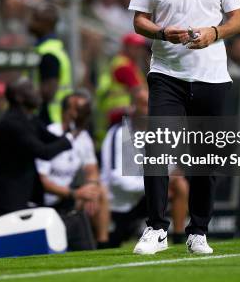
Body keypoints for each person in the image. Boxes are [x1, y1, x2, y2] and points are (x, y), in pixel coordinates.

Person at [129, 0, 240, 255]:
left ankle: (198, 232)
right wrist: (164, 33)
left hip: (212, 76)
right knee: (156, 149)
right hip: (167, 74)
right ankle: (156, 229)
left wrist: (215, 32)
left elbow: (238, 20)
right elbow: (139, 21)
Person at [101, 86, 189, 247]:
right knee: (110, 245)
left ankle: (178, 240)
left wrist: (171, 177)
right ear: (132, 107)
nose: (150, 110)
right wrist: (153, 186)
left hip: (145, 199)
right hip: (120, 203)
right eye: (144, 104)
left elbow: (168, 167)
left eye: (151, 104)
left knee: (180, 184)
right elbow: (116, 179)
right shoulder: (119, 134)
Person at [0, 77, 76, 228]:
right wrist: (69, 139)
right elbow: (43, 152)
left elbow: (52, 139)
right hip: (4, 200)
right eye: (30, 89)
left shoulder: (30, 119)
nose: (37, 92)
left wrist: (71, 127)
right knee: (12, 249)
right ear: (19, 97)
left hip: (20, 197)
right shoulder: (12, 123)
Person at [35, 92, 110, 247]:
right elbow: (42, 182)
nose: (81, 114)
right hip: (47, 201)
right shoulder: (50, 134)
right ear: (66, 112)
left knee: (100, 191)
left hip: (68, 198)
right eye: (78, 109)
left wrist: (92, 188)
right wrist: (76, 193)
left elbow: (92, 169)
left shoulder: (83, 138)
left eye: (84, 110)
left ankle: (104, 245)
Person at [96, 33, 147, 141]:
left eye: (140, 48)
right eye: (136, 47)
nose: (139, 51)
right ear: (126, 47)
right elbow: (139, 93)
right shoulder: (125, 67)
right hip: (122, 113)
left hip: (117, 114)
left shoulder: (119, 62)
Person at [28, 4, 73, 125]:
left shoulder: (48, 53)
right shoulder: (55, 48)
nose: (30, 22)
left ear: (46, 24)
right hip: (58, 118)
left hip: (49, 119)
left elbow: (48, 92)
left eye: (35, 19)